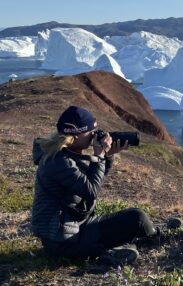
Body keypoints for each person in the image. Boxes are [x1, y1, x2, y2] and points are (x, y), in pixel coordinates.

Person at [30, 105, 157, 265]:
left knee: (135, 218)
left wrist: (107, 156)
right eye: (92, 132)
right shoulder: (57, 161)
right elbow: (91, 190)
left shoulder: (65, 154)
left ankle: (136, 239)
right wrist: (100, 155)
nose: (95, 136)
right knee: (136, 218)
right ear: (76, 134)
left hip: (74, 228)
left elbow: (91, 182)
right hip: (64, 242)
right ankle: (143, 241)